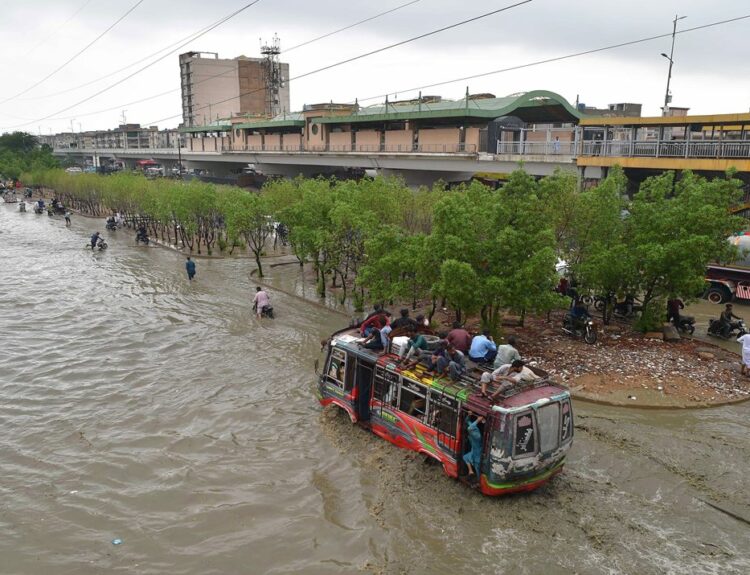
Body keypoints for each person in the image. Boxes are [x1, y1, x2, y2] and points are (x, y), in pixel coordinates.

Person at [463, 414, 485, 480]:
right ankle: (471, 471)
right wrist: (469, 415)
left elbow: (470, 428)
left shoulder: (477, 436)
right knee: (465, 457)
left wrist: (478, 420)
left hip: (478, 455)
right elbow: (467, 421)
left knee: (478, 469)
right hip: (474, 452)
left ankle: (479, 481)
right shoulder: (474, 428)